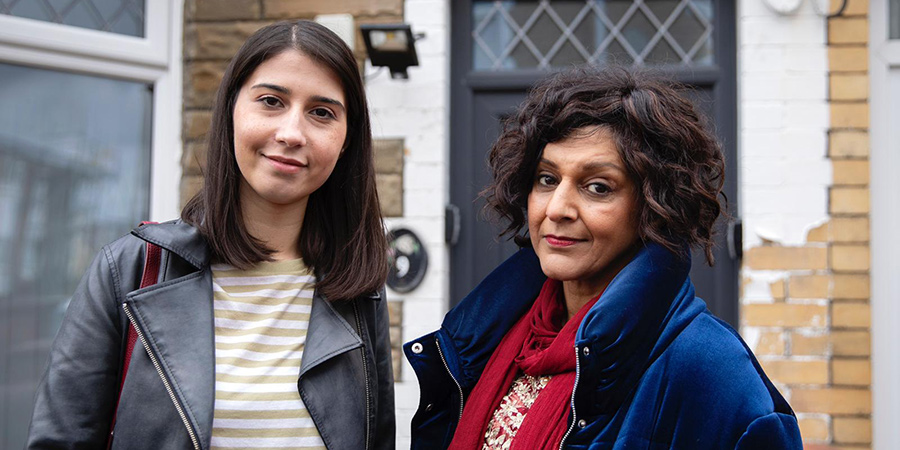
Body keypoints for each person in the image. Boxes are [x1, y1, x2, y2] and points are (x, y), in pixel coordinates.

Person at [27, 20, 395, 450]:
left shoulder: (357, 292)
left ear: (347, 138)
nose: (292, 134)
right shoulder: (127, 271)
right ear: (231, 112)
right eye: (271, 101)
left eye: (322, 112)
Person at [404, 67, 802, 449]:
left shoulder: (713, 373)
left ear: (653, 207)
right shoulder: (486, 338)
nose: (557, 208)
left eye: (597, 187)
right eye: (546, 179)